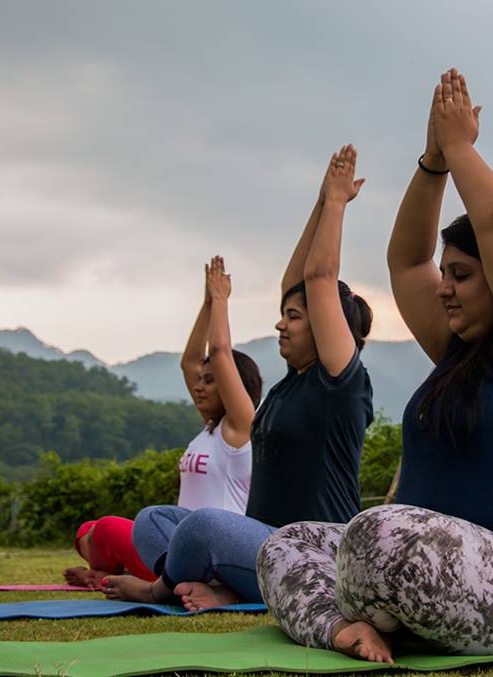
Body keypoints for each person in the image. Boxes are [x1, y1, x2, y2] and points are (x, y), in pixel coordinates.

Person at [256, 69, 493, 663]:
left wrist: (461, 147)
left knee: (378, 535)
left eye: (463, 276)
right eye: (445, 275)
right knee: (287, 543)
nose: (445, 290)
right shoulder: (456, 351)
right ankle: (345, 628)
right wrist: (431, 166)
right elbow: (405, 260)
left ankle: (377, 610)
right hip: (433, 569)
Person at [104, 145, 374, 611]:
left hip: (313, 554)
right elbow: (298, 278)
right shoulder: (291, 382)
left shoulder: (339, 384)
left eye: (293, 317)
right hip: (259, 546)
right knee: (151, 521)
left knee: (203, 526)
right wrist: (320, 200)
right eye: (284, 314)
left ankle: (159, 589)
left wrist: (335, 205)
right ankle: (227, 587)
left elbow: (318, 276)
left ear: (329, 327)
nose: (280, 324)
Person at [64, 256, 263, 588]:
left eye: (212, 380)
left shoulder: (240, 430)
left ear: (232, 386)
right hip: (170, 541)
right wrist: (206, 303)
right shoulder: (211, 428)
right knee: (88, 530)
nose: (199, 386)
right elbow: (189, 362)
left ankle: (143, 577)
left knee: (108, 529)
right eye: (202, 380)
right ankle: (129, 574)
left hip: (211, 550)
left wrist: (221, 302)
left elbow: (220, 351)